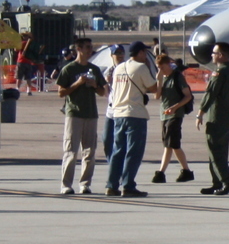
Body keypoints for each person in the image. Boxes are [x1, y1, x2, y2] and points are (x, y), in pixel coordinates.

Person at [103, 41, 158, 196]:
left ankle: (112, 185)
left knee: (118, 151)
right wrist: (153, 71)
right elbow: (153, 88)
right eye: (144, 53)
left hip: (118, 113)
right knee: (133, 152)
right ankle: (128, 185)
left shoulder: (119, 68)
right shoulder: (141, 68)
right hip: (135, 113)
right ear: (140, 53)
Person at [56, 37, 106, 195]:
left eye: (91, 47)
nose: (90, 50)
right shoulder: (69, 69)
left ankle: (85, 184)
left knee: (89, 151)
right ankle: (66, 185)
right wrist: (77, 83)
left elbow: (103, 92)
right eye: (87, 47)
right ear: (79, 49)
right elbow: (61, 92)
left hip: (91, 113)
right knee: (71, 151)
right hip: (74, 113)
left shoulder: (95, 69)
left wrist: (95, 85)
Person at [198, 41, 229, 194]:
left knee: (214, 149)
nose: (212, 55)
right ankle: (217, 182)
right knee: (220, 150)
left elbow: (211, 93)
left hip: (217, 115)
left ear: (221, 55)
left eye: (214, 53)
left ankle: (228, 181)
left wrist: (201, 112)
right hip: (228, 114)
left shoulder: (220, 72)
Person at [151, 52, 195, 183]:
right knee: (170, 144)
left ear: (168, 65)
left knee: (171, 144)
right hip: (164, 115)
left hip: (175, 114)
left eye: (162, 67)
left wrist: (175, 107)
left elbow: (188, 96)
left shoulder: (177, 77)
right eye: (158, 68)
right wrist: (158, 79)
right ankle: (184, 171)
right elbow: (157, 96)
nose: (161, 70)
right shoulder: (163, 78)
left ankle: (163, 172)